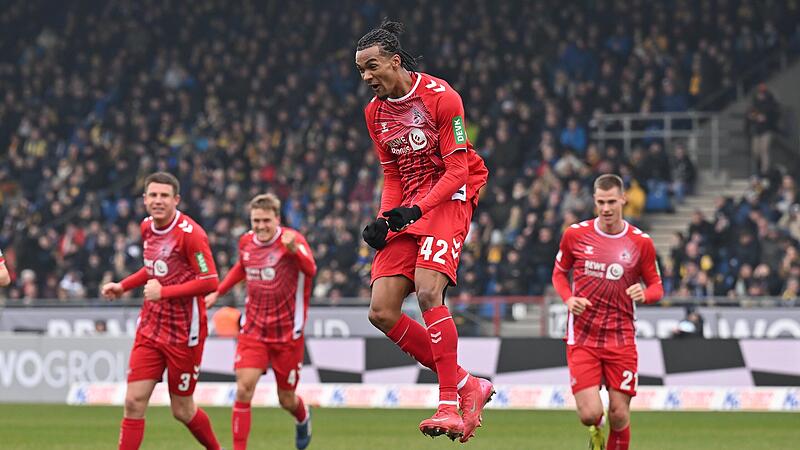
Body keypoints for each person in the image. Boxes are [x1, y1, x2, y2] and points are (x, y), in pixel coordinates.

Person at [355, 20, 493, 442]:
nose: (366, 77)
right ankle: (470, 383)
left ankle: (449, 402)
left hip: (449, 197)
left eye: (372, 66)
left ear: (395, 62)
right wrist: (385, 217)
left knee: (429, 290)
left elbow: (457, 169)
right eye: (361, 70)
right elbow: (392, 172)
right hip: (410, 203)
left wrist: (416, 209)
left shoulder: (441, 97)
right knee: (381, 309)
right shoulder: (375, 112)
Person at [101, 172, 222, 450]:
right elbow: (154, 267)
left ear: (176, 200)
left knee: (182, 410)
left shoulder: (191, 235)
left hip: (184, 333)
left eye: (164, 196)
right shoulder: (146, 228)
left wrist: (164, 292)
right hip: (151, 327)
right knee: (133, 401)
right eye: (153, 195)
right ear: (144, 200)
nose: (158, 201)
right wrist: (124, 286)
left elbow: (210, 281)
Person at [552, 174, 664, 450]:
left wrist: (645, 294)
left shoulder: (641, 242)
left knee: (619, 412)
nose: (606, 208)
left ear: (623, 199)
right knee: (590, 414)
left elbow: (657, 286)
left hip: (621, 336)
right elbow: (558, 274)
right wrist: (568, 298)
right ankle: (596, 429)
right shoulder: (575, 235)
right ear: (594, 201)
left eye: (612, 201)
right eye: (601, 202)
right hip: (584, 336)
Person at [205, 193, 316, 450]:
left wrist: (294, 252)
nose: (261, 226)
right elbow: (241, 267)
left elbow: (310, 269)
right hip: (253, 329)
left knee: (286, 399)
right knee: (244, 389)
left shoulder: (293, 240)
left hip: (288, 334)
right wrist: (218, 292)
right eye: (256, 220)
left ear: (277, 219)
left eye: (266, 220)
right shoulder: (246, 241)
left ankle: (302, 416)